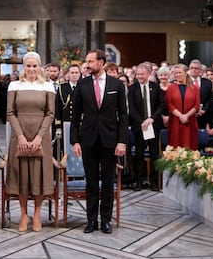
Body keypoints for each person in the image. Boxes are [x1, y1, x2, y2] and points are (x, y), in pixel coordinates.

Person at [70, 49, 128, 234]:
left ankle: (105, 221)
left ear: (101, 62)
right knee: (92, 182)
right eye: (86, 61)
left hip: (110, 140)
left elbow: (123, 115)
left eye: (90, 61)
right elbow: (75, 115)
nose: (86, 65)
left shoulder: (116, 84)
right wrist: (75, 141)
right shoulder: (82, 84)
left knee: (108, 181)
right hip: (88, 139)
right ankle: (91, 220)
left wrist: (122, 141)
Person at [6, 51, 55, 232]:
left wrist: (38, 137)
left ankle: (37, 215)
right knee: (22, 177)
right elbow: (10, 113)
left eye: (35, 66)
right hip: (19, 136)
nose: (32, 69)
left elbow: (50, 114)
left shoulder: (48, 86)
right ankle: (24, 214)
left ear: (39, 67)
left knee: (38, 176)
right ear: (24, 67)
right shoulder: (14, 85)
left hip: (41, 137)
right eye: (28, 66)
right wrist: (20, 136)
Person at [128, 64, 165, 191]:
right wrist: (141, 121)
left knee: (154, 154)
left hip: (153, 125)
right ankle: (139, 181)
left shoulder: (155, 87)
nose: (139, 76)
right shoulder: (132, 88)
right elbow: (131, 108)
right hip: (139, 126)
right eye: (137, 74)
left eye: (142, 74)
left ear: (148, 74)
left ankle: (154, 182)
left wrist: (151, 119)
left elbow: (161, 105)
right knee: (139, 155)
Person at [165, 64, 199, 150]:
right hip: (175, 121)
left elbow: (196, 105)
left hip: (190, 121)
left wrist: (186, 116)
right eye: (175, 73)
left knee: (189, 146)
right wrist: (180, 116)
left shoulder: (194, 88)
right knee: (175, 146)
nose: (177, 75)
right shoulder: (171, 88)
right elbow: (169, 104)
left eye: (180, 72)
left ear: (186, 73)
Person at [189, 59, 212, 129]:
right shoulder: (184, 82)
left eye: (196, 68)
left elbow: (210, 98)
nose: (194, 70)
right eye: (192, 68)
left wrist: (204, 110)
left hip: (203, 116)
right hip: (188, 115)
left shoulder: (207, 83)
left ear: (200, 70)